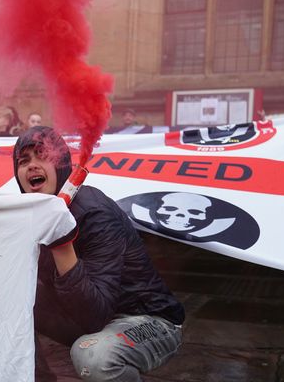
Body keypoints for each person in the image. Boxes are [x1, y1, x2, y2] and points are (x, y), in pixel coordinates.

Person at [12, 126, 185, 382]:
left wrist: (63, 244)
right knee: (10, 300)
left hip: (148, 319)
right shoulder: (33, 212)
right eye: (23, 161)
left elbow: (94, 317)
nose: (32, 166)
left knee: (94, 357)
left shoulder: (95, 214)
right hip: (89, 316)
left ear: (61, 164)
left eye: (42, 156)